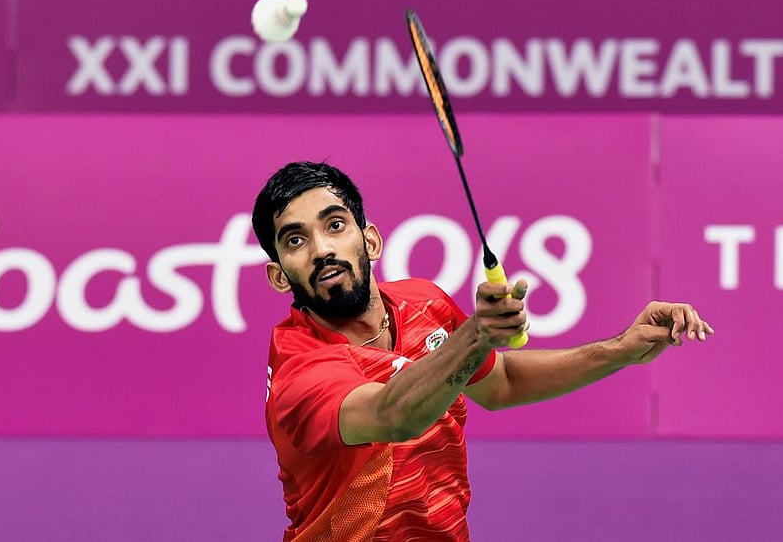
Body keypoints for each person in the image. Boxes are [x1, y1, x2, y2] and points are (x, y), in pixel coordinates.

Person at [251, 161, 713, 541]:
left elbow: (501, 383)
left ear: (370, 240)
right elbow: (395, 415)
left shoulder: (422, 301)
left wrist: (622, 349)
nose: (322, 249)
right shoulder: (299, 370)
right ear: (278, 274)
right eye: (295, 240)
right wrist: (475, 335)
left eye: (335, 225)